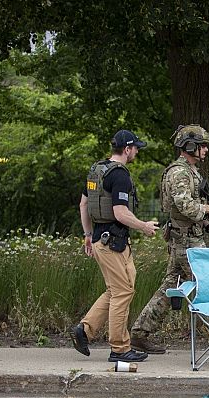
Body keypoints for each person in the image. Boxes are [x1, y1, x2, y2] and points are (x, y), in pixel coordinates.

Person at [129, 124, 209, 354]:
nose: (206, 150)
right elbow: (185, 206)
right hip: (186, 241)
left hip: (187, 237)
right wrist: (207, 209)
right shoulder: (180, 172)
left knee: (172, 286)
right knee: (206, 284)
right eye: (202, 146)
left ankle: (140, 333)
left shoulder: (189, 171)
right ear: (189, 146)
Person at [70, 130, 159, 363]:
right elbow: (120, 213)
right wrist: (144, 226)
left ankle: (85, 330)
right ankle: (119, 349)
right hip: (114, 243)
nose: (137, 151)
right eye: (135, 148)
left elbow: (84, 204)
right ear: (127, 149)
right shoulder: (119, 175)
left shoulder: (97, 170)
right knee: (123, 292)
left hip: (101, 239)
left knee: (118, 288)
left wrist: (88, 234)